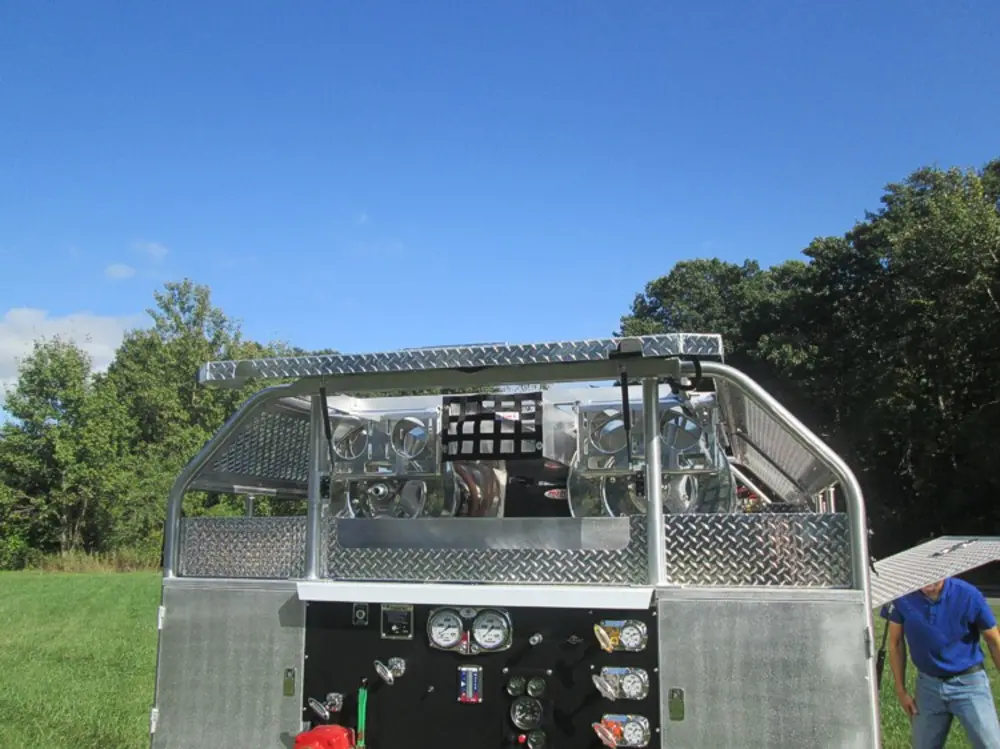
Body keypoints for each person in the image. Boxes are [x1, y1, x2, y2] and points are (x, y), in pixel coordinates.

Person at [885, 577, 1000, 749]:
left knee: (991, 744)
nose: (927, 582)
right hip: (928, 686)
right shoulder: (903, 597)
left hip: (969, 683)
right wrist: (901, 691)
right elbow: (895, 642)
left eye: (933, 578)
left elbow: (993, 640)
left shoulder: (968, 594)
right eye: (922, 576)